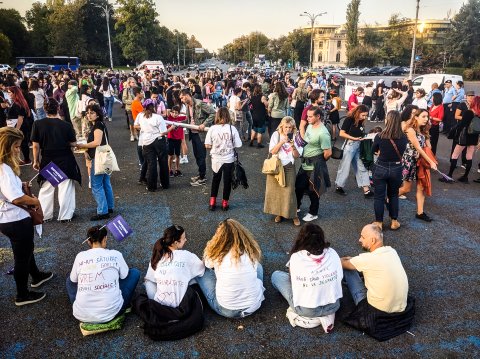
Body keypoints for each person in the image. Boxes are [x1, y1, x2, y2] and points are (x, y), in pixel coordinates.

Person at [0, 127, 53, 306]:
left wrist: (19, 184)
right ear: (5, 147)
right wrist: (35, 202)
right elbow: (15, 198)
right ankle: (22, 295)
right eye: (15, 146)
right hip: (14, 218)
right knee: (21, 256)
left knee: (26, 249)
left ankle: (36, 275)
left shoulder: (4, 168)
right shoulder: (4, 169)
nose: (18, 150)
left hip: (7, 218)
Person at [340, 224, 414, 341]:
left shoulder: (367, 259)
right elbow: (369, 262)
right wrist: (355, 260)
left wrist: (338, 259)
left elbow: (342, 264)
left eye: (362, 237)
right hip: (400, 308)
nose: (359, 240)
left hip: (376, 311)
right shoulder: (392, 251)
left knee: (348, 271)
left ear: (372, 240)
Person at [271, 223, 342, 332]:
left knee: (276, 276)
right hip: (333, 306)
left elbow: (293, 281)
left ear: (301, 239)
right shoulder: (332, 252)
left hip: (307, 310)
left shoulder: (297, 257)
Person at [66, 225, 140, 324]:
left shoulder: (80, 256)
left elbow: (73, 280)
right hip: (113, 312)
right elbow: (124, 276)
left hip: (81, 315)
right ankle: (116, 302)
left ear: (89, 241)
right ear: (105, 239)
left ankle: (82, 304)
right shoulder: (116, 254)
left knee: (69, 280)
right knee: (134, 273)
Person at [196, 219, 265, 318]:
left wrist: (212, 244)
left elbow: (206, 263)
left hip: (227, 310)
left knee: (202, 270)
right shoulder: (249, 251)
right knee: (258, 266)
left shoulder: (217, 254)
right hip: (254, 305)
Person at [31, 98, 81, 223]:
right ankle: (65, 215)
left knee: (47, 187)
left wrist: (35, 161)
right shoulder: (66, 125)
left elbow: (36, 146)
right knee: (65, 187)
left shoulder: (37, 124)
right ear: (58, 108)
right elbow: (73, 143)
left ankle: (45, 215)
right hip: (65, 158)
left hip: (48, 159)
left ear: (44, 108)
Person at [76, 104, 115, 221]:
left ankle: (103, 211)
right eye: (87, 113)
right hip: (106, 157)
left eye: (92, 113)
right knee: (105, 182)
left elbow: (97, 142)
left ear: (97, 114)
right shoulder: (101, 124)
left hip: (99, 158)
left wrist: (83, 146)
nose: (89, 115)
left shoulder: (97, 125)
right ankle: (109, 206)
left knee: (96, 185)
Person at [398, 108, 438, 222]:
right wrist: (431, 161)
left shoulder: (423, 130)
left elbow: (428, 147)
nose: (426, 119)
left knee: (421, 187)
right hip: (410, 161)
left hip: (421, 162)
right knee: (406, 189)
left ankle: (420, 213)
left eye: (427, 117)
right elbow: (419, 148)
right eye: (423, 116)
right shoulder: (410, 130)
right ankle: (387, 198)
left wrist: (427, 136)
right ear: (416, 117)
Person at [372, 111, 407, 230]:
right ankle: (394, 221)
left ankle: (378, 222)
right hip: (396, 168)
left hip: (381, 166)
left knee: (379, 196)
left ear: (388, 120)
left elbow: (374, 150)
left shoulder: (380, 136)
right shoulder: (403, 137)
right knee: (393, 195)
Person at [295, 107, 332, 222]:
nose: (307, 118)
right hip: (306, 161)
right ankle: (296, 207)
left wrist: (319, 161)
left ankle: (313, 212)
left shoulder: (323, 133)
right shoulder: (310, 126)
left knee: (314, 190)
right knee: (299, 186)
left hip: (316, 163)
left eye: (310, 116)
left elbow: (328, 153)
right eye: (308, 116)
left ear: (318, 117)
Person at [264, 116, 300, 226]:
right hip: (276, 166)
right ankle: (279, 213)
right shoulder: (276, 135)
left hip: (289, 167)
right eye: (285, 127)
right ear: (281, 126)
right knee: (276, 192)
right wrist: (281, 142)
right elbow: (273, 151)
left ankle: (294, 215)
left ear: (293, 127)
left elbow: (297, 156)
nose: (288, 129)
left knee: (289, 192)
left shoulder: (296, 136)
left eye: (290, 127)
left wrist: (293, 146)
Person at [204, 107, 242, 211]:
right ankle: (225, 203)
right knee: (227, 181)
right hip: (228, 158)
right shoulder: (232, 128)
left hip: (216, 159)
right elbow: (238, 144)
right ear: (228, 116)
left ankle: (212, 202)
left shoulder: (212, 128)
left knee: (215, 180)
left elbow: (207, 145)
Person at [334, 104, 374, 198]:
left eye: (366, 115)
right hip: (350, 145)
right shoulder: (349, 119)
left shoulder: (360, 121)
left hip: (358, 145)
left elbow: (359, 132)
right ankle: (339, 186)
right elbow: (341, 133)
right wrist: (354, 138)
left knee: (361, 166)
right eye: (363, 115)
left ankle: (366, 190)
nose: (365, 117)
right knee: (345, 167)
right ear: (358, 113)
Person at [179, 89, 216, 187]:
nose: (182, 100)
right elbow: (189, 120)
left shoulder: (199, 104)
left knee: (201, 156)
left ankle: (202, 177)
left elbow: (213, 113)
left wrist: (204, 124)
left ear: (187, 95)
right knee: (196, 155)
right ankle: (200, 174)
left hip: (201, 134)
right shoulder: (188, 106)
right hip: (193, 133)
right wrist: (178, 124)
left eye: (182, 98)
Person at [440, 95, 480, 183]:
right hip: (474, 137)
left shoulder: (468, 112)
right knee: (469, 157)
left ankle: (449, 176)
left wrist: (455, 134)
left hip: (464, 137)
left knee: (455, 155)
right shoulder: (478, 114)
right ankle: (465, 177)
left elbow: (461, 125)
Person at [134, 98, 172, 192]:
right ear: (154, 107)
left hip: (146, 141)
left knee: (151, 164)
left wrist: (143, 128)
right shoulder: (158, 117)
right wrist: (172, 128)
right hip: (158, 140)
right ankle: (165, 184)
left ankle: (151, 186)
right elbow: (163, 133)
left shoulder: (141, 116)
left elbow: (136, 125)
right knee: (163, 162)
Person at [6, 86, 32, 165]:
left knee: (21, 144)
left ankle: (26, 160)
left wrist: (16, 130)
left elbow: (20, 118)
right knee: (21, 144)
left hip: (19, 126)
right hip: (19, 126)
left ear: (15, 93)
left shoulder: (18, 103)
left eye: (10, 92)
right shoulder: (19, 102)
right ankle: (25, 160)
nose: (8, 94)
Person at [166, 105, 186, 177]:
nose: (174, 114)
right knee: (170, 155)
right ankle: (169, 170)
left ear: (179, 113)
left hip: (178, 139)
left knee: (178, 155)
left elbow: (187, 117)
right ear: (171, 112)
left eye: (176, 113)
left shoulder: (181, 118)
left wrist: (183, 113)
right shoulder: (169, 119)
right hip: (170, 139)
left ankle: (177, 170)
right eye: (173, 112)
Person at [249, 84, 268, 148]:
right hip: (261, 115)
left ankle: (251, 142)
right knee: (260, 130)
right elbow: (266, 105)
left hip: (254, 114)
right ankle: (259, 144)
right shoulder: (262, 97)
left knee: (254, 128)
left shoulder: (252, 97)